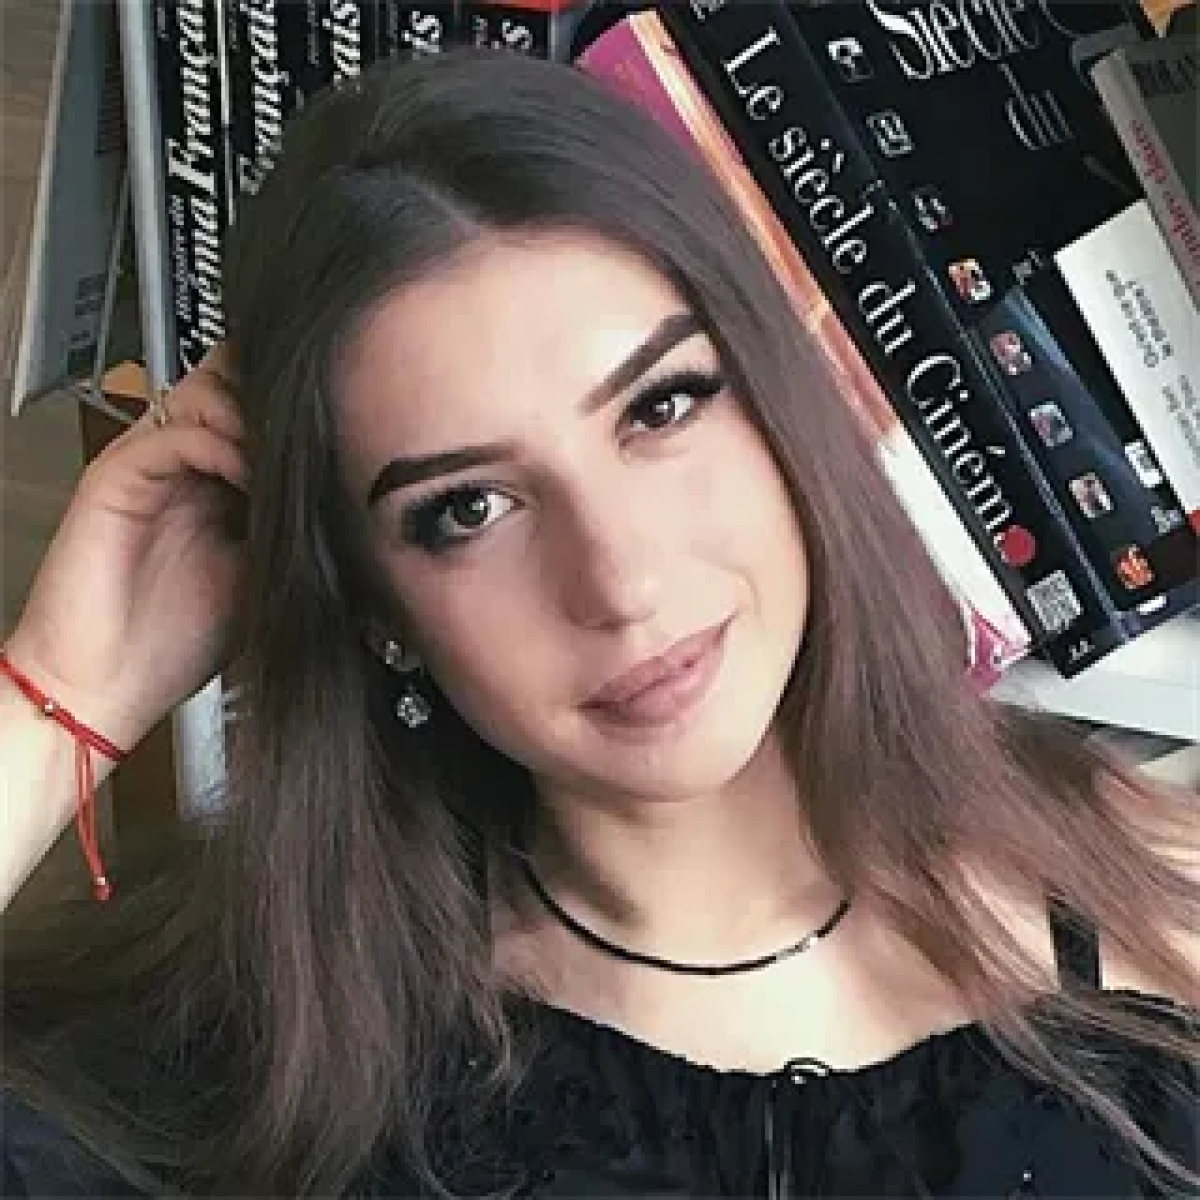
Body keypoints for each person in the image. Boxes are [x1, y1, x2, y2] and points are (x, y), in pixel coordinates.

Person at [2, 46, 1197, 1199]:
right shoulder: (275, 1071)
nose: (620, 582)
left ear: (784, 400)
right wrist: (62, 694)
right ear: (375, 605)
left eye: (662, 407)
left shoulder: (1164, 910)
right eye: (467, 509)